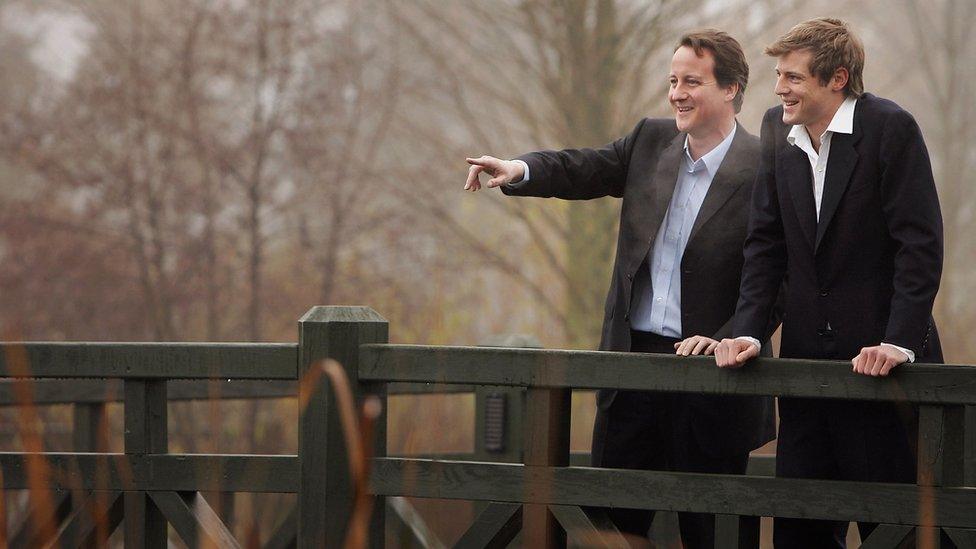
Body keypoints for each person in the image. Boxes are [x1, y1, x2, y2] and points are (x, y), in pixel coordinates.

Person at [465, 30, 777, 548]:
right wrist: (520, 168)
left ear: (732, 88)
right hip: (630, 370)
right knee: (608, 531)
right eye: (673, 80)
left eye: (692, 81)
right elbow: (582, 167)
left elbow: (776, 280)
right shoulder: (650, 141)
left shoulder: (765, 166)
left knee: (715, 533)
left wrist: (730, 337)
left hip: (717, 375)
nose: (676, 92)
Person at [713, 18, 944, 548]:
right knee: (799, 533)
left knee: (900, 531)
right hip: (804, 376)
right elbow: (765, 244)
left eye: (794, 77)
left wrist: (899, 341)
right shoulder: (776, 128)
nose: (779, 88)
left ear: (838, 78)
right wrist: (749, 331)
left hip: (886, 376)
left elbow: (921, 246)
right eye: (778, 75)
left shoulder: (891, 127)